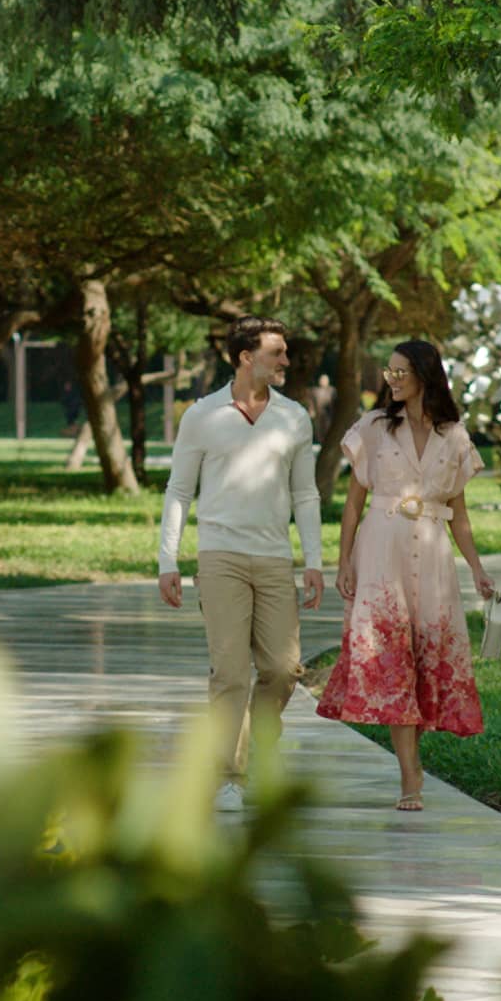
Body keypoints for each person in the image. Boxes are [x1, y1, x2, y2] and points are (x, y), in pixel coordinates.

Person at [316, 340, 495, 811]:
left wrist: (477, 568)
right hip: (381, 552)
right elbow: (353, 504)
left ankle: (412, 761)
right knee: (394, 657)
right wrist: (344, 560)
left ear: (424, 375)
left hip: (433, 558)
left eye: (401, 372)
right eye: (389, 372)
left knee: (425, 657)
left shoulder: (453, 436)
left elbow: (460, 516)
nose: (392, 380)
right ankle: (409, 773)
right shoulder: (374, 428)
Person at [158, 316, 325, 813]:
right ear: (246, 357)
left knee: (283, 669)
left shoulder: (294, 417)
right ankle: (229, 776)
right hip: (220, 556)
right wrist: (168, 559)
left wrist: (314, 560)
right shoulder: (202, 416)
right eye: (277, 352)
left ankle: (257, 748)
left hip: (274, 557)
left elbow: (305, 494)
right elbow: (179, 490)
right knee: (230, 673)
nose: (286, 360)